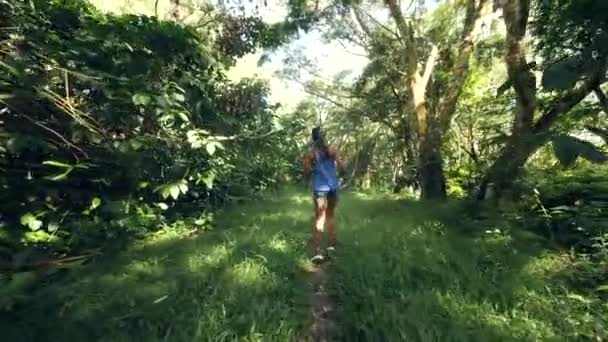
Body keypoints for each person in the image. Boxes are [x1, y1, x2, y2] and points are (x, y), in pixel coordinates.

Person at [303, 127, 344, 263]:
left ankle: (318, 251)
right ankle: (332, 245)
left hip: (320, 189)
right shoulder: (332, 150)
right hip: (333, 188)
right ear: (324, 137)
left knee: (320, 218)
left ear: (313, 139)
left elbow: (306, 172)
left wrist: (312, 170)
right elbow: (342, 166)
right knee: (330, 216)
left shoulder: (311, 154)